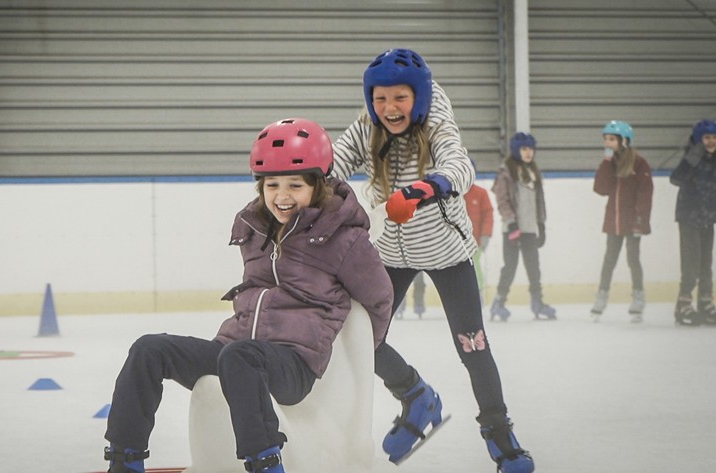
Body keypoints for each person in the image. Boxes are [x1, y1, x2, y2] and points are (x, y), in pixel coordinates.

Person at [103, 118, 393, 473]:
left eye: (294, 185)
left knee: (241, 357)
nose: (281, 196)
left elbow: (379, 299)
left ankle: (266, 463)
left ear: (318, 184)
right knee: (149, 348)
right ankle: (124, 460)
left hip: (293, 363)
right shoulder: (255, 228)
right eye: (271, 185)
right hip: (236, 351)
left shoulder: (343, 239)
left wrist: (360, 357)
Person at [332, 48, 534, 472]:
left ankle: (500, 435)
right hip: (393, 250)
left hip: (448, 253)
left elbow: (460, 165)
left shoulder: (438, 119)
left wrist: (424, 190)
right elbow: (336, 159)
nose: (389, 108)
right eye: (381, 98)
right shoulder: (369, 124)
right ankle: (415, 396)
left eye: (400, 98)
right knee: (360, 339)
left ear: (419, 97)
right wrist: (298, 176)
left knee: (473, 347)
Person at [590, 121, 653, 323]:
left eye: (611, 139)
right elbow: (600, 189)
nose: (607, 143)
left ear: (624, 141)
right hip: (613, 221)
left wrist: (640, 220)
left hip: (632, 221)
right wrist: (606, 163)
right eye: (606, 139)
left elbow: (645, 193)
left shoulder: (639, 163)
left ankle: (638, 298)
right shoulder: (610, 163)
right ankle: (601, 297)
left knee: (633, 260)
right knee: (609, 261)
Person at [490, 132, 555, 321]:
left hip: (529, 229)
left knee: (534, 267)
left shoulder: (534, 172)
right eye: (524, 149)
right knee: (510, 266)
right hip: (512, 229)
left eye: (531, 149)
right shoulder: (506, 172)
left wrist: (541, 224)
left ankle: (537, 302)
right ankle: (499, 302)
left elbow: (539, 201)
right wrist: (511, 224)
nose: (528, 153)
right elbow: (502, 200)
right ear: (516, 150)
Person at [669, 119, 716, 326]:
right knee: (691, 264)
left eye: (714, 137)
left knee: (706, 264)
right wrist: (693, 158)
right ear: (698, 140)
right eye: (706, 138)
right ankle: (683, 304)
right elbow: (676, 179)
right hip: (689, 218)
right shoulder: (691, 158)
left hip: (708, 217)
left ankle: (705, 302)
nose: (711, 141)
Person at [464, 162, 494, 300]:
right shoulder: (453, 193)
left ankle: (478, 293)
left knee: (475, 267)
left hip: (475, 241)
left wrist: (486, 234)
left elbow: (488, 213)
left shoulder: (480, 193)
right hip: (457, 243)